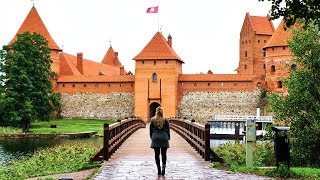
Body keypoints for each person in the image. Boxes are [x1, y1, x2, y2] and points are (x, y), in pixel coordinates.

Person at [150, 106, 170, 176]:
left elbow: (150, 131)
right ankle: (163, 168)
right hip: (164, 137)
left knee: (157, 154)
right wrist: (168, 138)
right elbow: (168, 130)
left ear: (156, 112)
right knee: (164, 154)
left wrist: (152, 137)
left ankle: (158, 169)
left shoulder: (152, 119)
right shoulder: (166, 120)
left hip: (155, 138)